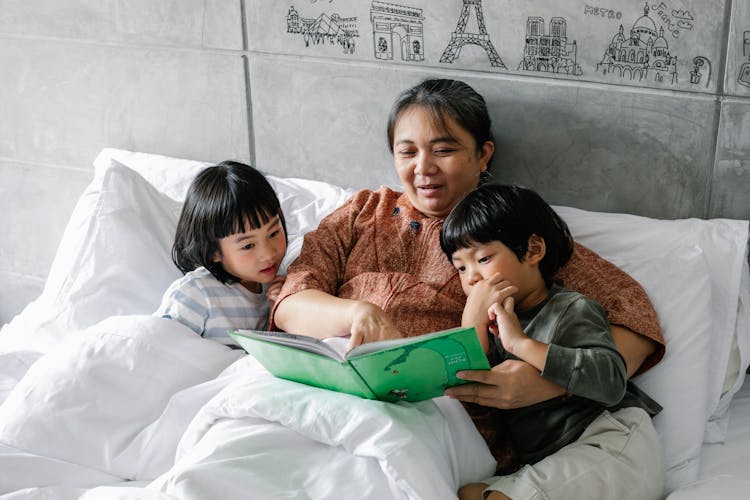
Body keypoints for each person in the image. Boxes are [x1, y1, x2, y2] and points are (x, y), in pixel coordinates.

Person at [271, 78, 665, 479]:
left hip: (434, 423)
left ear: (483, 155)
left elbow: (632, 317)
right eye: (407, 152)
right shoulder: (362, 213)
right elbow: (292, 301)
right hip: (322, 394)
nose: (423, 168)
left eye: (443, 150)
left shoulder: (509, 233)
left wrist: (547, 382)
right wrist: (358, 314)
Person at [440, 183, 664, 500]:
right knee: (469, 494)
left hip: (612, 444)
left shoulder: (571, 309)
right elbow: (467, 386)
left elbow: (611, 381)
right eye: (461, 268)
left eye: (484, 258)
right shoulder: (495, 327)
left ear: (533, 250)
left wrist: (520, 343)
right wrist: (471, 322)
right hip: (555, 462)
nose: (472, 277)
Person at [156, 161, 287, 345]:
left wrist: (278, 313)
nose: (268, 254)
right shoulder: (195, 296)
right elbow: (162, 352)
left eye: (273, 233)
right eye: (248, 246)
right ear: (213, 251)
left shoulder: (277, 285)